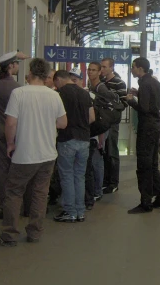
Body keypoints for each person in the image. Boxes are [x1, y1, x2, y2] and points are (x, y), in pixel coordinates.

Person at [0, 58, 67, 247]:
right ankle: (34, 232)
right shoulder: (53, 95)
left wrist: (9, 144)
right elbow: (62, 123)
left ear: (31, 72)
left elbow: (10, 123)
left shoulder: (19, 93)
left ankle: (10, 234)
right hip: (48, 154)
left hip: (25, 153)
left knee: (14, 192)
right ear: (46, 74)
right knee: (40, 193)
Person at [0, 51, 30, 219]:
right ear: (11, 66)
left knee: (3, 170)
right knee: (21, 170)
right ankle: (23, 207)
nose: (18, 66)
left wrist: (14, 53)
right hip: (17, 133)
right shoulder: (18, 89)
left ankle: (4, 207)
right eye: (16, 63)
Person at [53, 70, 94, 223]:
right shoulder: (85, 93)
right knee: (79, 176)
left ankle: (70, 212)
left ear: (58, 80)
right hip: (84, 140)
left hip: (67, 138)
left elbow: (58, 118)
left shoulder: (60, 94)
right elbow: (92, 117)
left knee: (67, 176)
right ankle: (80, 211)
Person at [126, 57, 160, 213]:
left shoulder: (145, 84)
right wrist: (139, 94)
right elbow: (157, 104)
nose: (132, 69)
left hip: (146, 128)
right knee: (153, 164)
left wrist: (130, 100)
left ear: (140, 68)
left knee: (143, 164)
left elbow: (143, 108)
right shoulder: (154, 82)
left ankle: (146, 202)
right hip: (155, 126)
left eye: (133, 67)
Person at [85, 62, 117, 209]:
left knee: (97, 158)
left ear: (99, 73)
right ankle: (97, 187)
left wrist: (102, 132)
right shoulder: (92, 87)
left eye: (93, 70)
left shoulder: (101, 88)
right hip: (97, 127)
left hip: (100, 128)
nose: (90, 72)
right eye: (89, 69)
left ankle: (97, 190)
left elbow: (109, 108)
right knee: (96, 158)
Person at [100, 57, 126, 194]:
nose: (102, 69)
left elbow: (122, 103)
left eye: (104, 67)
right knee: (103, 151)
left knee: (112, 150)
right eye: (101, 67)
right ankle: (105, 180)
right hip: (101, 122)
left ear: (111, 67)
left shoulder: (119, 83)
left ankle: (113, 182)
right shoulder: (101, 81)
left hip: (112, 123)